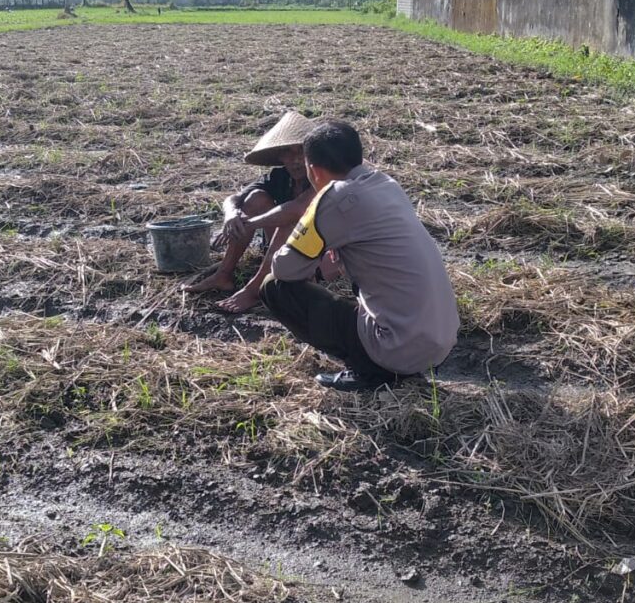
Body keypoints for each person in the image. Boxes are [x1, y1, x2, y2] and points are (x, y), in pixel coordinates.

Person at [261, 121, 459, 392]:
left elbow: (284, 268)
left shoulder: (335, 197)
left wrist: (313, 256)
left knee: (273, 287)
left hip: (398, 348)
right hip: (439, 343)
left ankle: (368, 370)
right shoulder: (385, 184)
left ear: (314, 169)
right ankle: (386, 361)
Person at [181, 110, 317, 313]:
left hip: (314, 253)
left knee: (293, 220)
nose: (296, 159)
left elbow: (296, 209)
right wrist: (232, 214)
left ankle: (254, 290)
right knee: (256, 199)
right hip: (280, 247)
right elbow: (235, 198)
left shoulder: (320, 178)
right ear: (280, 156)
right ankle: (224, 274)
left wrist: (252, 223)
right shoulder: (279, 177)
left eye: (301, 151)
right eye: (289, 152)